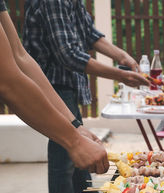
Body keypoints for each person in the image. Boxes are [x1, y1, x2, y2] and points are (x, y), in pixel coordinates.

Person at [23, 0, 150, 193]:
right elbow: (68, 55)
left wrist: (125, 58)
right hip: (50, 84)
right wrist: (120, 75)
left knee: (79, 144)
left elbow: (92, 35)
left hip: (67, 84)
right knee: (63, 150)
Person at [0, 0, 108, 173]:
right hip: (57, 81)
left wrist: (75, 126)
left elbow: (20, 57)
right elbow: (7, 82)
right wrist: (75, 141)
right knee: (61, 168)